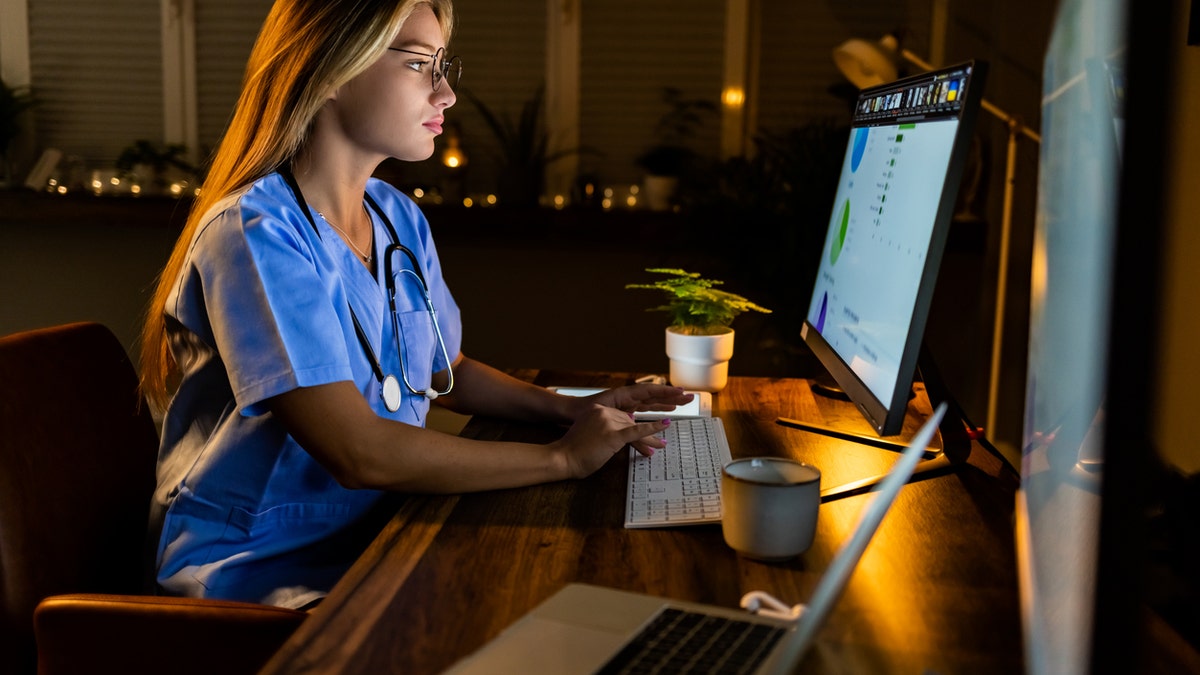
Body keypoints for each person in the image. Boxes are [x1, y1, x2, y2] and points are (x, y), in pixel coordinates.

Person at [138, 0, 691, 610]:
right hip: (255, 577)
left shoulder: (395, 216)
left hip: (378, 536)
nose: (447, 93)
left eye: (442, 65)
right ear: (328, 72)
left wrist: (568, 410)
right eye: (419, 65)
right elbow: (358, 452)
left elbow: (438, 369)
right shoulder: (255, 234)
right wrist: (561, 457)